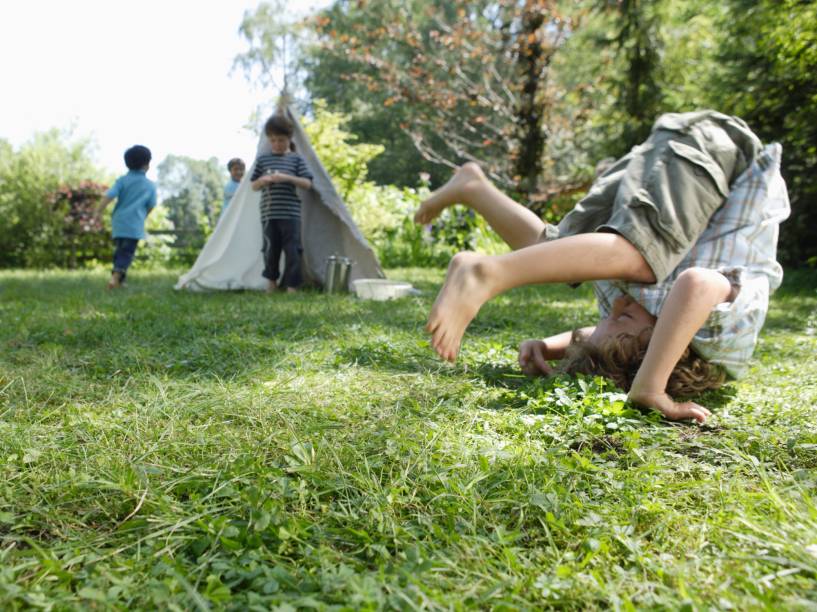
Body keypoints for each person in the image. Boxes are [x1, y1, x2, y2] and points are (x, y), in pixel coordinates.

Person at [414, 110, 789, 423]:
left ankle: (473, 186)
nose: (615, 309)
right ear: (665, 351)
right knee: (640, 256)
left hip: (670, 156)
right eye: (622, 320)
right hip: (716, 151)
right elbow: (695, 285)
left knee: (555, 253)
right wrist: (650, 386)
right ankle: (488, 274)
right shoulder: (717, 341)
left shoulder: (644, 321)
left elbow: (610, 332)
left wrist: (552, 346)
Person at [250, 115, 314, 292]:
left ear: (289, 138)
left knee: (293, 251)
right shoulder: (263, 160)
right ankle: (271, 284)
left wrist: (285, 177)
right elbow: (253, 186)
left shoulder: (296, 159)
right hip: (269, 214)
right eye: (273, 140)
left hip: (291, 214)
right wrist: (263, 180)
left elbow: (308, 184)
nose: (277, 143)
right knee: (270, 251)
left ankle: (292, 286)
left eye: (281, 140)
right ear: (269, 139)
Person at [96, 145, 158, 289]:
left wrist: (98, 210)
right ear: (147, 164)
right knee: (127, 253)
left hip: (119, 222)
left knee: (120, 251)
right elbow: (151, 205)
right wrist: (143, 216)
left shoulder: (122, 180)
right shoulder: (149, 185)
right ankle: (115, 278)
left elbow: (109, 195)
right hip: (134, 224)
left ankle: (119, 281)